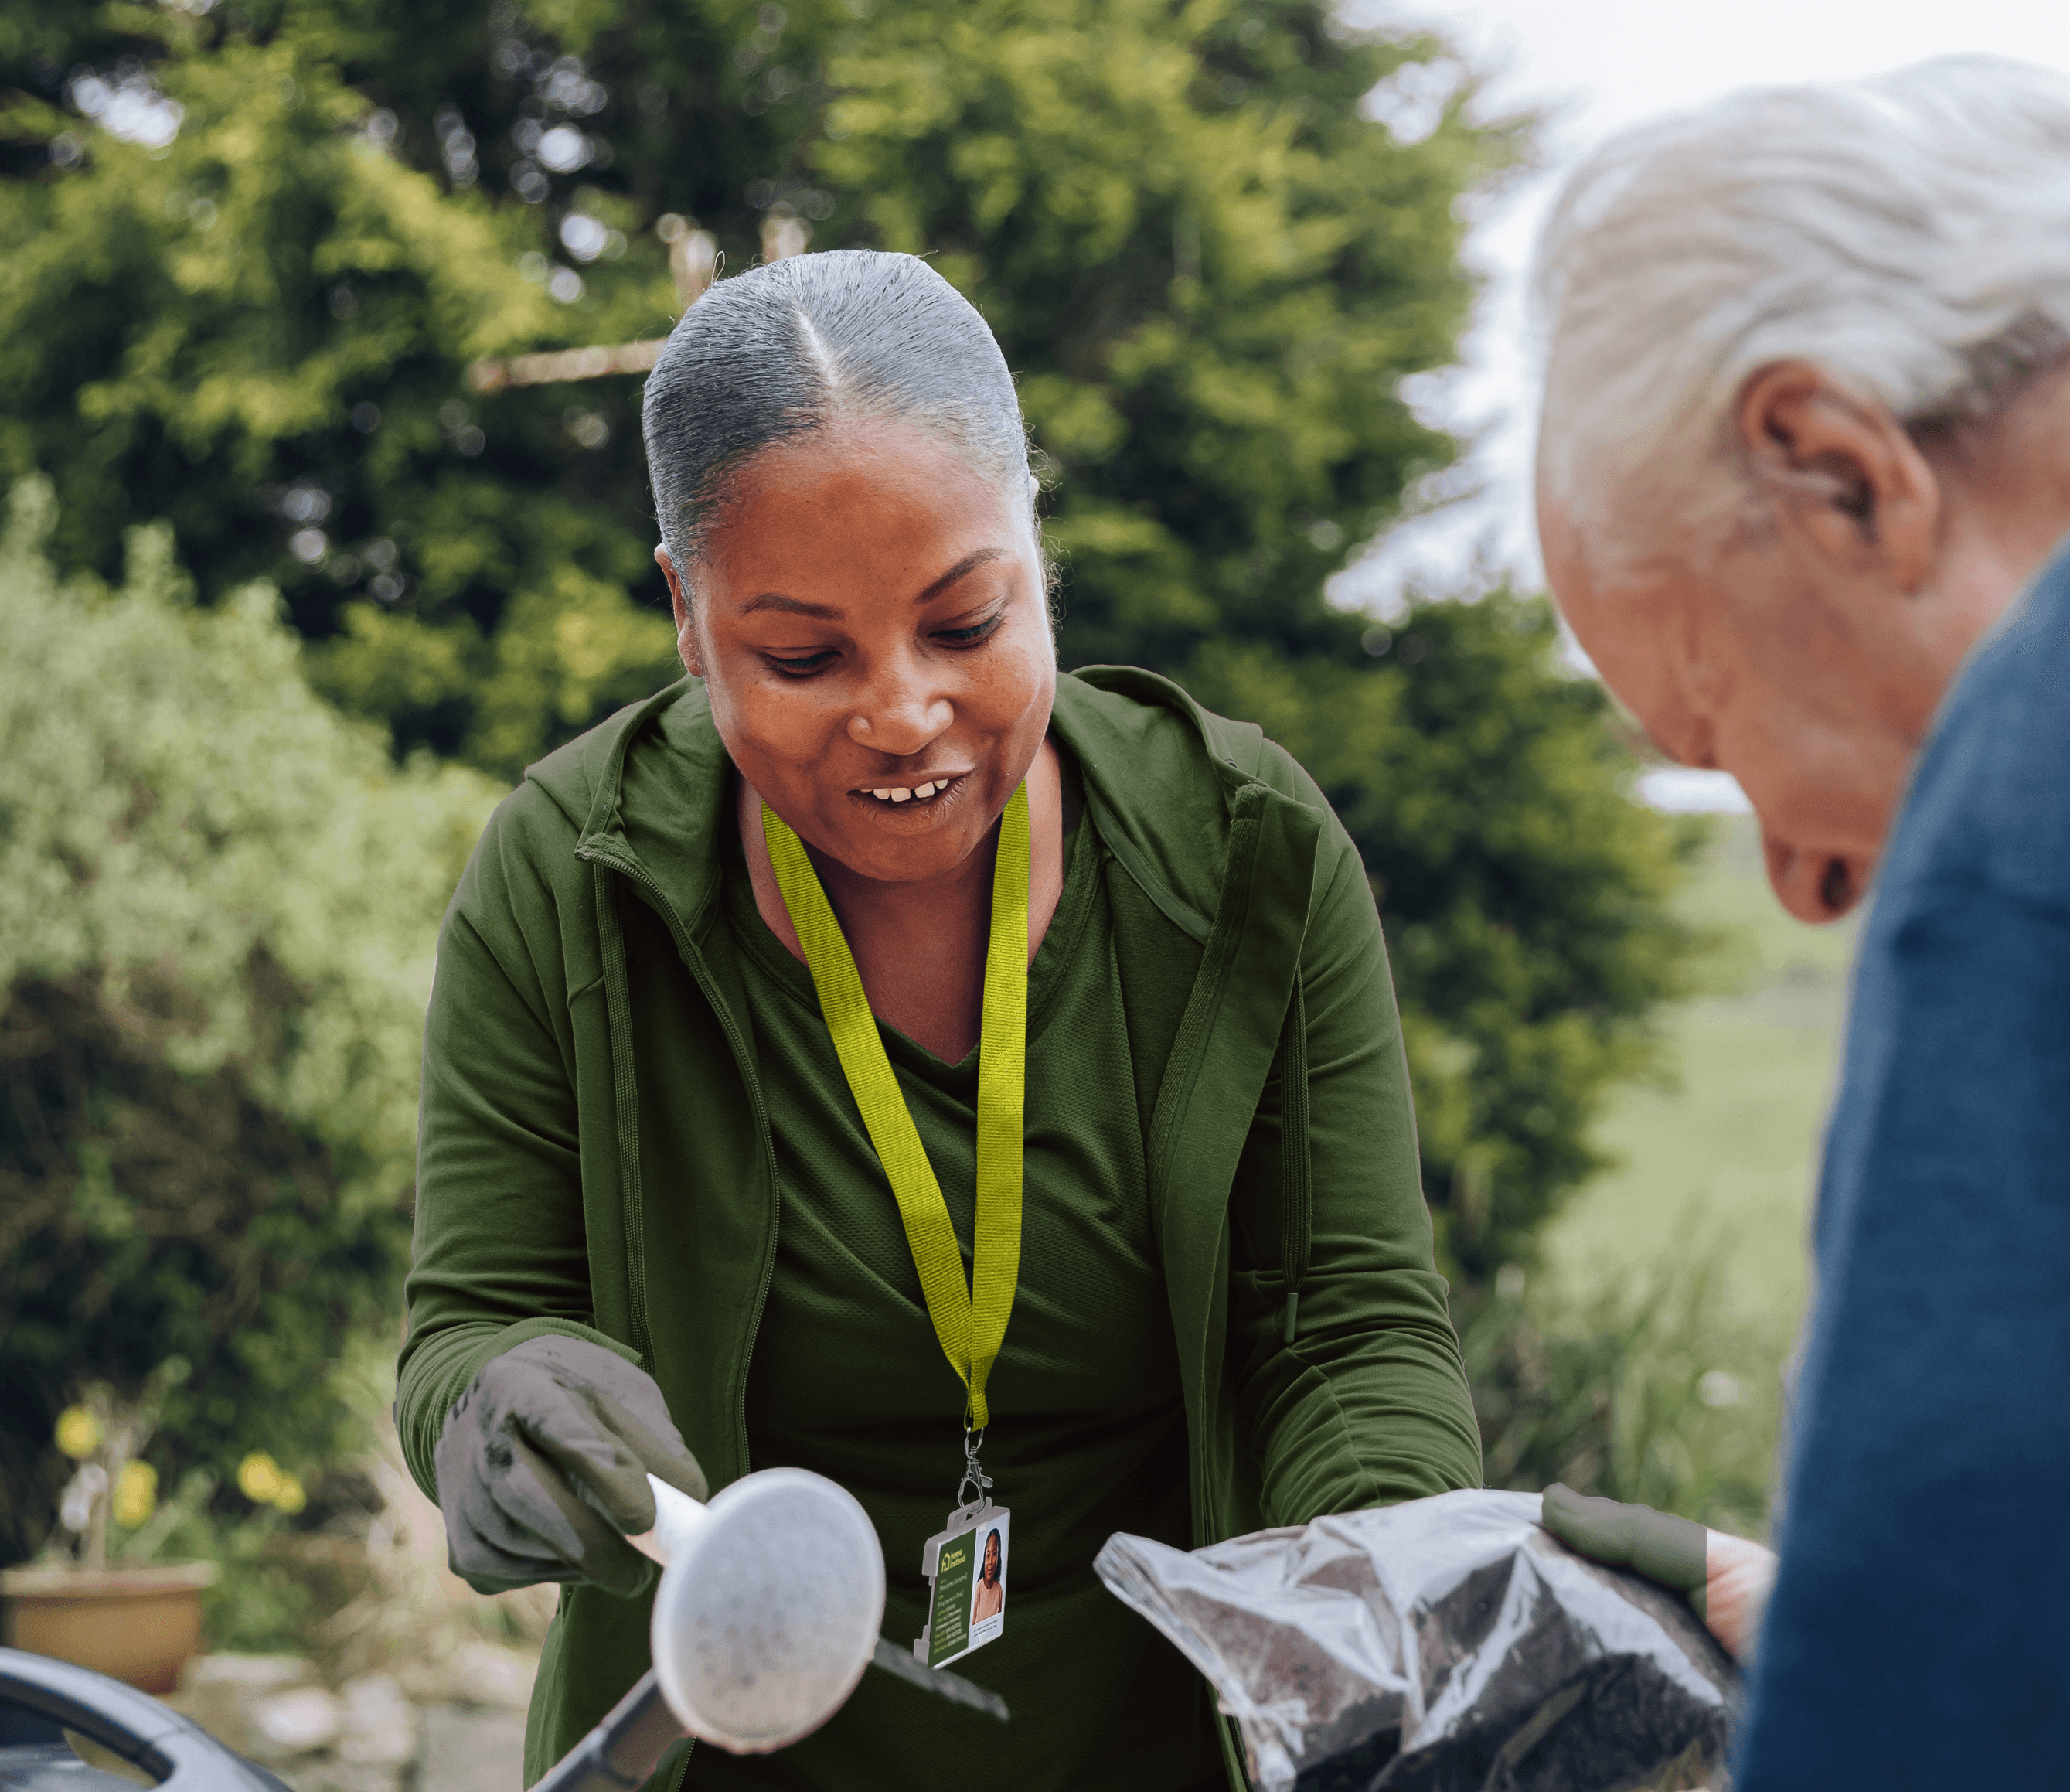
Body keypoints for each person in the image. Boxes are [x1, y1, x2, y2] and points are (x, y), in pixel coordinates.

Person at [398, 249, 1483, 1792]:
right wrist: (503, 1405)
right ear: (687, 616)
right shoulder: (567, 877)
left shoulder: (1244, 851)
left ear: (1033, 541)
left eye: (966, 623)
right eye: (803, 656)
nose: (903, 714)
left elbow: (1344, 1325)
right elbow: (472, 1321)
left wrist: (1387, 1572)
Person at [1524, 56, 2070, 1787]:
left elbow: (1934, 1724)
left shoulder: (2030, 756)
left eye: (1717, 732)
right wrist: (1838, 1601)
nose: (1799, 882)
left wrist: (1875, 1654)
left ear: (1838, 474)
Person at [972, 1529, 1005, 1624]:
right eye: (988, 1555)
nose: (990, 1562)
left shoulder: (999, 1589)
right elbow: (973, 1622)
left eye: (994, 1554)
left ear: (998, 1558)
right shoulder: (979, 1587)